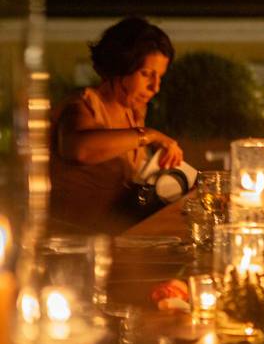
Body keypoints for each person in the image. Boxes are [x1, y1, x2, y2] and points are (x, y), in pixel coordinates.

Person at [50, 17, 183, 234]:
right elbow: (78, 149)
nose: (155, 87)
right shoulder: (84, 104)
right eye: (146, 74)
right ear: (121, 66)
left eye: (160, 77)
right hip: (72, 242)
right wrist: (149, 136)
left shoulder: (134, 113)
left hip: (116, 237)